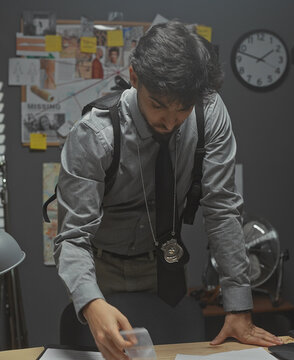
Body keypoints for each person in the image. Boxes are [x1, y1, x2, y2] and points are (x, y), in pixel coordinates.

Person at [53, 21, 282, 360]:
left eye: (182, 109)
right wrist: (90, 302)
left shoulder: (209, 113)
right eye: (157, 104)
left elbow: (222, 209)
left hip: (164, 265)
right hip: (99, 268)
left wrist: (238, 306)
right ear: (134, 78)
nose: (170, 121)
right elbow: (72, 237)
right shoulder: (94, 135)